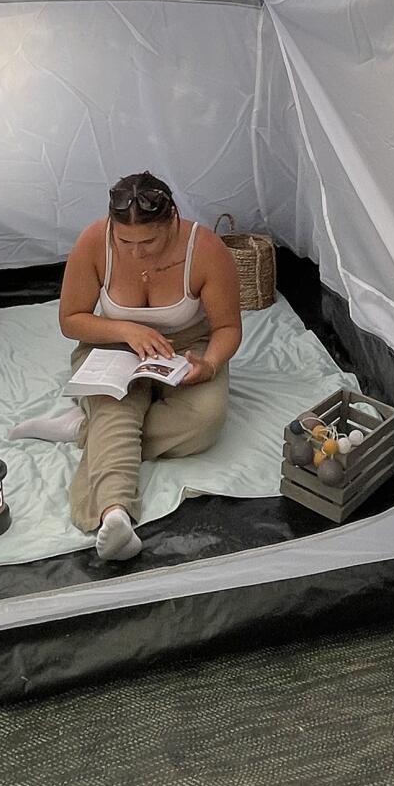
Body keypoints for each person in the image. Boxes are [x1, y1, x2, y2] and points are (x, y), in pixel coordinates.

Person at [60, 172, 243, 563]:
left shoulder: (205, 249)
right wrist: (127, 330)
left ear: (172, 219)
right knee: (118, 405)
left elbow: (228, 328)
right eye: (125, 242)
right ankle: (115, 514)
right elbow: (71, 320)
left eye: (148, 242)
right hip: (113, 344)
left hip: (187, 349)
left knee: (206, 421)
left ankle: (85, 430)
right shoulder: (94, 241)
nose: (137, 253)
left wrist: (209, 365)